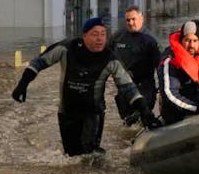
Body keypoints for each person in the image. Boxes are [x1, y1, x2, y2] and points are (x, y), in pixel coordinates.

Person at [10, 16, 162, 157]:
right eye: (95, 34)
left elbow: (128, 87)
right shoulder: (67, 48)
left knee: (90, 156)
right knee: (71, 157)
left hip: (93, 113)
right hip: (67, 112)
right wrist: (22, 85)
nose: (100, 39)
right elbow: (39, 62)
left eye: (103, 34)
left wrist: (145, 111)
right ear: (84, 36)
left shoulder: (110, 59)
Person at [108, 6, 162, 125]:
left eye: (134, 19)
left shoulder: (151, 40)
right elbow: (106, 56)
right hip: (124, 85)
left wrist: (162, 89)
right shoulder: (117, 37)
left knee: (142, 117)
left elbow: (160, 66)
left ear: (141, 18)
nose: (131, 23)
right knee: (127, 122)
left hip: (145, 85)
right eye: (128, 20)